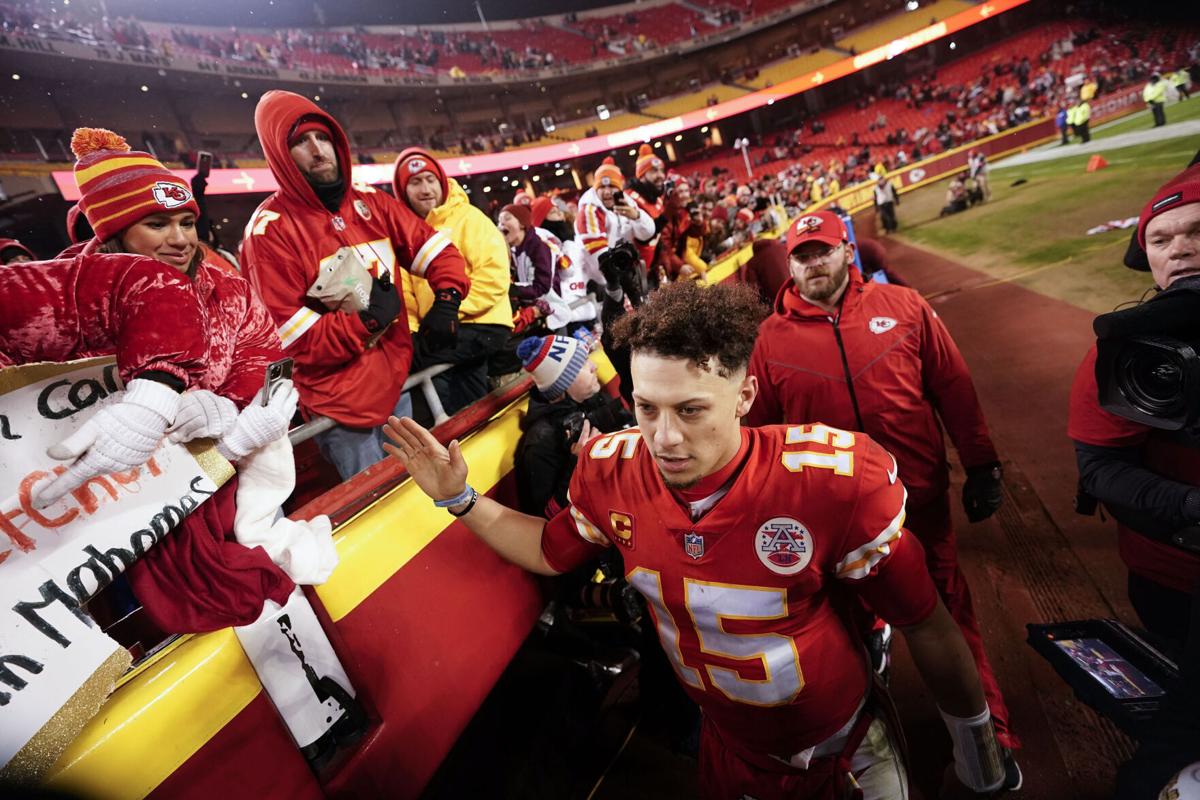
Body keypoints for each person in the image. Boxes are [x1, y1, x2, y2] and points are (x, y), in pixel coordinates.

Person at [384, 281, 1010, 800]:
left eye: (690, 410)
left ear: (745, 395)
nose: (664, 438)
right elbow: (549, 550)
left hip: (841, 751)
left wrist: (975, 744)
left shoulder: (829, 482)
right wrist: (458, 499)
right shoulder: (610, 467)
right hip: (726, 748)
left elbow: (927, 622)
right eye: (646, 407)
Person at [744, 212, 1022, 781]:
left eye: (822, 251)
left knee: (950, 615)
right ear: (789, 265)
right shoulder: (769, 339)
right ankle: (858, 750)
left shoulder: (906, 308)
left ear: (847, 251)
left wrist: (982, 462)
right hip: (832, 523)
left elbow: (954, 387)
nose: (812, 263)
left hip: (918, 503)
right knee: (838, 635)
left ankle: (988, 739)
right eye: (801, 255)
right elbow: (761, 436)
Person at [240, 91, 470, 481]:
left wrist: (447, 300)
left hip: (396, 382)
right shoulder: (268, 233)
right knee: (379, 510)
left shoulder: (372, 202)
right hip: (340, 409)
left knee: (416, 493)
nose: (318, 151)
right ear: (280, 154)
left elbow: (438, 251)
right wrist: (365, 322)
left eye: (323, 138)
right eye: (300, 142)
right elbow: (292, 342)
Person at [1069, 164, 1200, 650]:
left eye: (1197, 232)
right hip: (1175, 579)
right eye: (1160, 241)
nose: (1180, 250)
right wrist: (1189, 505)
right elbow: (1099, 468)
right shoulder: (1121, 354)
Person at [393, 147, 512, 421]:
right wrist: (413, 330)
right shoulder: (406, 235)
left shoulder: (469, 218)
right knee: (464, 397)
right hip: (441, 328)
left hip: (482, 323)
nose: (425, 189)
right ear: (403, 191)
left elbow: (494, 277)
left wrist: (447, 310)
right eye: (415, 182)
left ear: (442, 182)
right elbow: (407, 294)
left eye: (430, 180)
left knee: (409, 366)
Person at [512, 333, 631, 517]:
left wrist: (626, 408)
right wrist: (578, 464)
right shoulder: (540, 442)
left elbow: (594, 420)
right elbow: (547, 516)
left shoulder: (587, 400)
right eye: (583, 363)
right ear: (562, 385)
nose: (594, 366)